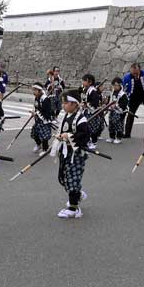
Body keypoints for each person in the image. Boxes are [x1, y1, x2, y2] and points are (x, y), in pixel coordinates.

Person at [52, 89, 90, 219]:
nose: (63, 105)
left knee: (73, 179)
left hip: (76, 154)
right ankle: (77, 195)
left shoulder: (81, 119)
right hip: (65, 152)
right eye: (62, 103)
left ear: (74, 104)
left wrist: (68, 136)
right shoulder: (66, 116)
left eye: (65, 103)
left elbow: (84, 136)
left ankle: (74, 208)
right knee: (64, 177)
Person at [30, 82, 54, 155]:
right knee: (35, 133)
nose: (33, 92)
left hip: (45, 121)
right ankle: (38, 144)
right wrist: (34, 112)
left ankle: (45, 149)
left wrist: (37, 113)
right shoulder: (36, 97)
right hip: (38, 120)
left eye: (35, 90)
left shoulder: (45, 99)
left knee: (44, 136)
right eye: (33, 90)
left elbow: (47, 112)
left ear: (39, 90)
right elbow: (36, 107)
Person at [81, 74, 102, 149]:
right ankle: (89, 141)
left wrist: (86, 105)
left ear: (90, 82)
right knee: (87, 128)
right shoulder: (86, 89)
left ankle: (94, 142)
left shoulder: (93, 91)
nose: (82, 82)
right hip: (87, 112)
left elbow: (95, 103)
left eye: (84, 81)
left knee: (92, 128)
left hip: (92, 112)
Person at [106, 77, 128, 144]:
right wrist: (107, 104)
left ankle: (118, 138)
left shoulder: (123, 94)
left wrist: (116, 106)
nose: (114, 87)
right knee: (111, 124)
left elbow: (124, 104)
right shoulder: (112, 93)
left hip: (119, 112)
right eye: (113, 85)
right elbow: (109, 101)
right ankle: (111, 137)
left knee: (118, 125)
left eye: (116, 85)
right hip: (112, 111)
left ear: (120, 85)